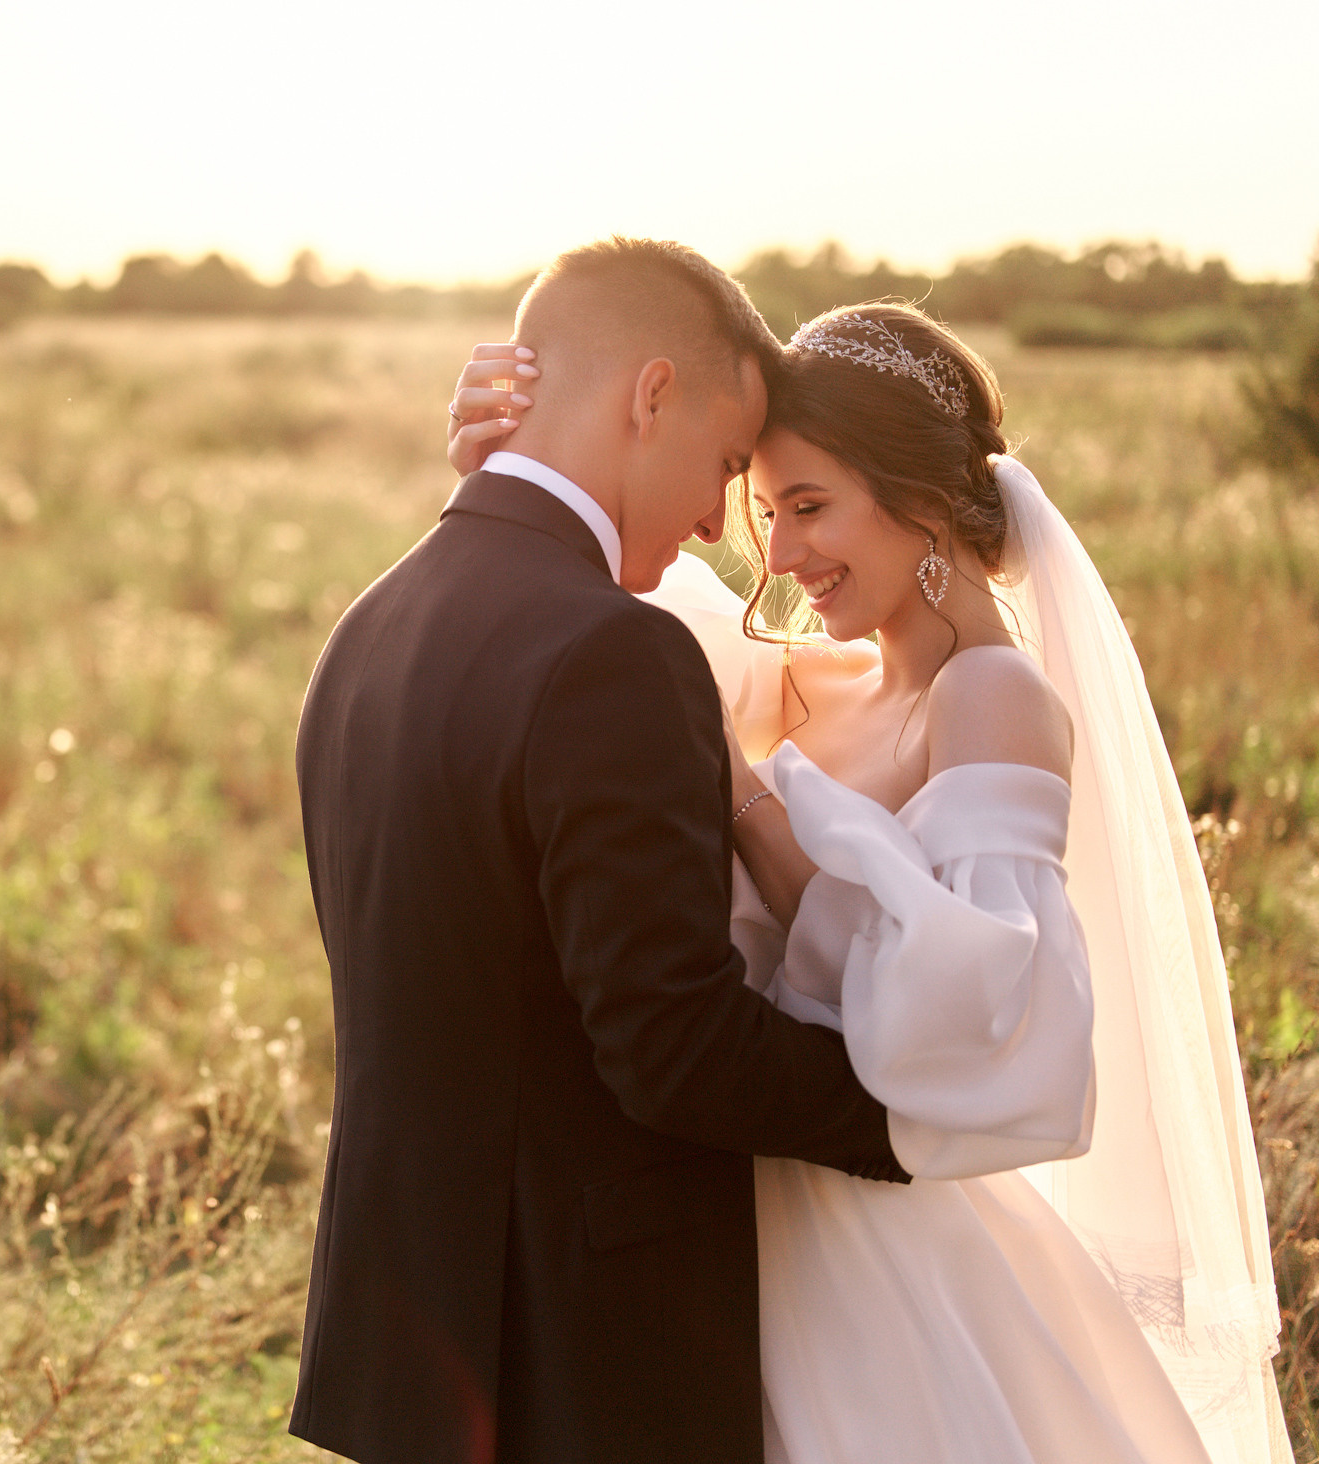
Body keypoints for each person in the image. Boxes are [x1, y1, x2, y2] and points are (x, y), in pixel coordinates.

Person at [447, 302, 1291, 1462]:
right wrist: (507, 460)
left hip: (870, 1246)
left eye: (808, 508)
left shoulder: (991, 699)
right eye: (762, 511)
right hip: (735, 1218)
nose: (778, 557)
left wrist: (742, 802)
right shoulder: (794, 674)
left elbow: (967, 1006)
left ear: (924, 504)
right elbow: (581, 603)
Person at [289, 238, 908, 1464]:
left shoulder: (365, 628)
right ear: (649, 394)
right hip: (581, 1358)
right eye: (727, 466)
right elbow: (670, 1046)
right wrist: (914, 1107)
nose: (713, 522)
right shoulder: (610, 655)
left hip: (410, 1338)